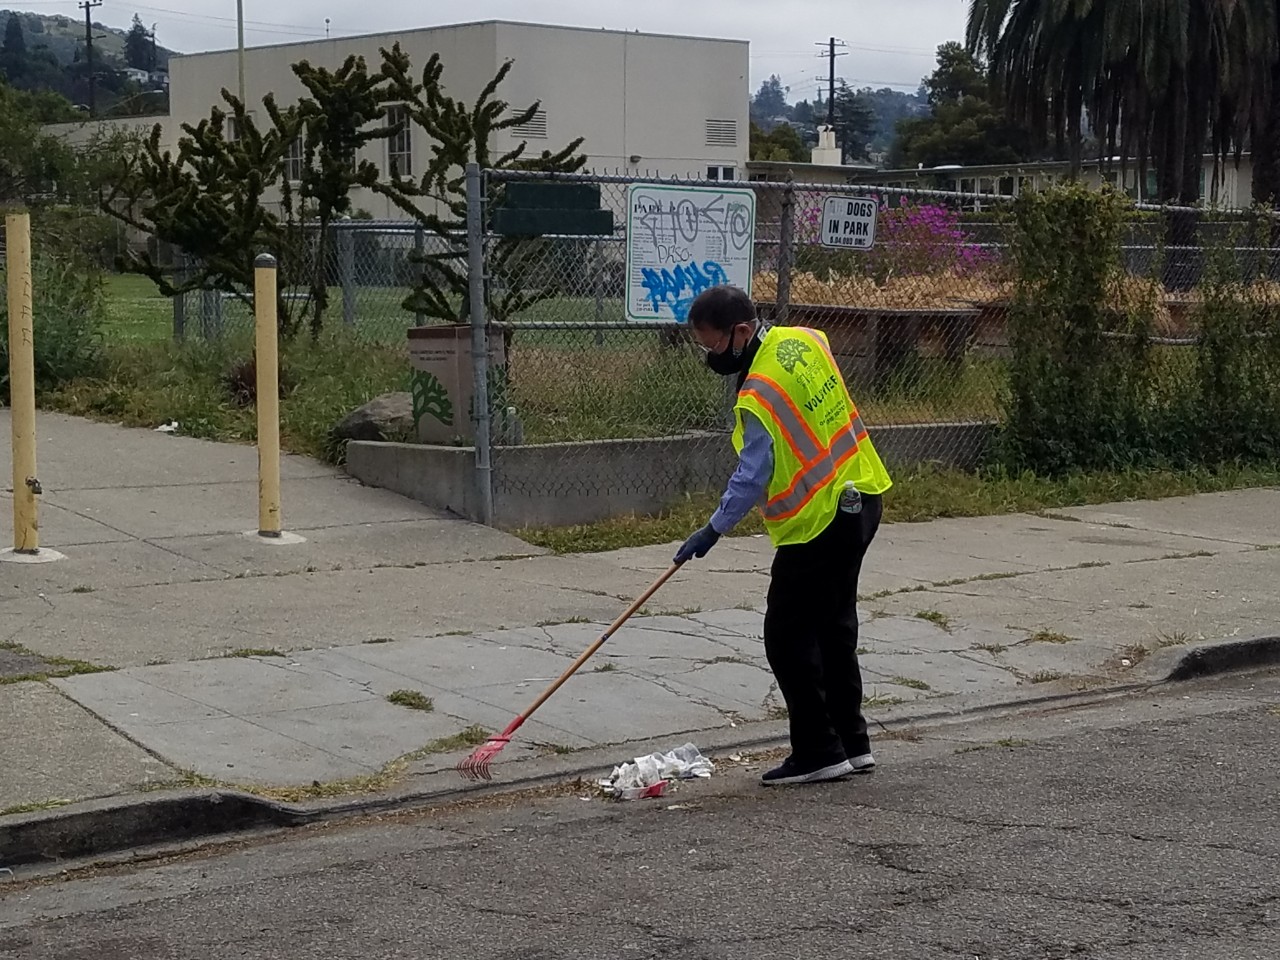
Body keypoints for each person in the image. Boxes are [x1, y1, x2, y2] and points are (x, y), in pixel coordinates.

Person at [674, 284, 893, 786]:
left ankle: (818, 750)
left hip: (819, 518)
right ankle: (852, 743)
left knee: (787, 634)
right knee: (834, 626)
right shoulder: (806, 339)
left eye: (714, 345)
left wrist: (713, 528)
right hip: (861, 492)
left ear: (741, 331)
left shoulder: (758, 393)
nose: (711, 355)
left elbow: (753, 475)